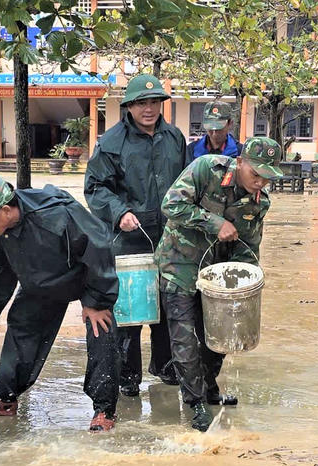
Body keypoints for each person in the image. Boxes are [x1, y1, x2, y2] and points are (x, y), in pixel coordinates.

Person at [0, 174, 122, 432]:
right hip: (42, 282)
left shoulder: (55, 215)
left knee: (101, 328)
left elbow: (99, 246)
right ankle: (4, 397)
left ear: (5, 210)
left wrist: (96, 300)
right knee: (21, 322)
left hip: (84, 275)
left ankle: (104, 410)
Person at [156, 137, 284, 432]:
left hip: (218, 274)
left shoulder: (259, 203)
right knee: (185, 339)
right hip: (180, 265)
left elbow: (249, 245)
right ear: (240, 162)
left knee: (219, 335)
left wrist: (248, 281)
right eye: (255, 174)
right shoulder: (205, 169)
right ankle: (195, 402)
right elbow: (171, 204)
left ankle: (209, 385)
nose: (260, 182)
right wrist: (214, 223)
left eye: (267, 177)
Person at [84, 73, 187, 398]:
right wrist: (118, 212)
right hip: (127, 239)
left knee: (169, 303)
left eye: (154, 102)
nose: (149, 109)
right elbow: (95, 187)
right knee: (131, 307)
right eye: (142, 103)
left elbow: (186, 182)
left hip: (170, 236)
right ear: (129, 106)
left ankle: (166, 365)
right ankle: (128, 375)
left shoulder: (174, 137)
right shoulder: (112, 143)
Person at [185, 101, 242, 166]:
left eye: (219, 128)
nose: (214, 132)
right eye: (211, 127)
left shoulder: (240, 152)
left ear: (230, 124)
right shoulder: (191, 150)